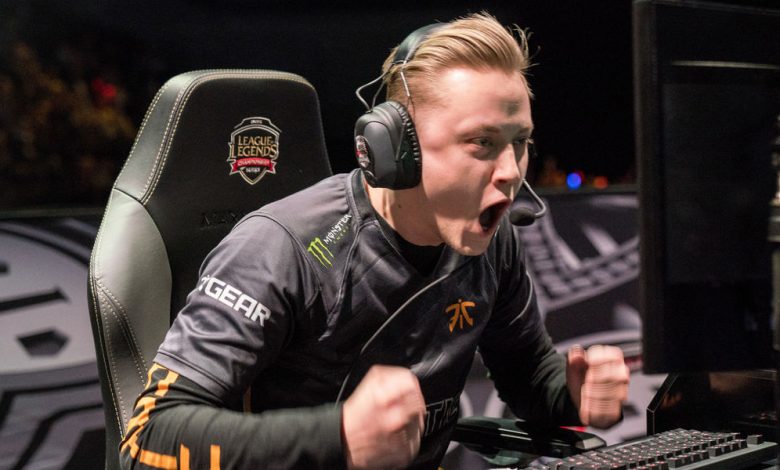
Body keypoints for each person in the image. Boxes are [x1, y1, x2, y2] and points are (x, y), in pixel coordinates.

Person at [119, 12, 629, 470]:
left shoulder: (491, 240)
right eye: (482, 143)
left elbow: (527, 374)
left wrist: (571, 392)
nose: (511, 173)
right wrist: (337, 436)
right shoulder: (281, 249)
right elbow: (147, 439)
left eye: (519, 142)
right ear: (394, 147)